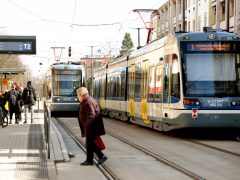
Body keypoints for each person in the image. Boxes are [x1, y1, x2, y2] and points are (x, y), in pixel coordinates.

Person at [77, 87, 107, 166]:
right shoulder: (87, 100)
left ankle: (101, 156)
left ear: (81, 95)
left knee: (90, 143)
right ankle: (90, 160)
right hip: (92, 126)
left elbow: (91, 115)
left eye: (77, 95)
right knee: (89, 143)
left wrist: (87, 126)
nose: (77, 97)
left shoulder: (88, 102)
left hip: (91, 127)